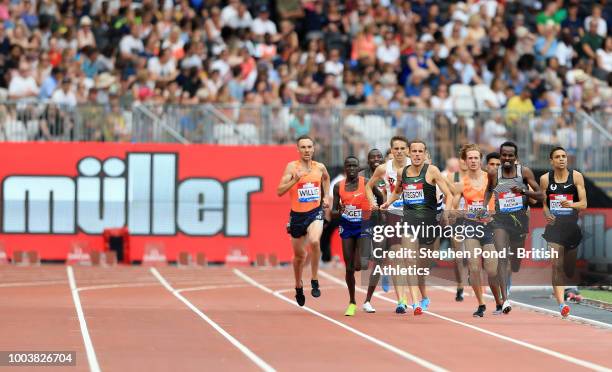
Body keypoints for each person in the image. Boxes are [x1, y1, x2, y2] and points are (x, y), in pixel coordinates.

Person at [381, 140, 454, 314]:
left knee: (423, 265)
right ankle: (416, 303)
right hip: (409, 221)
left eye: (420, 151)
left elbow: (449, 195)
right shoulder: (402, 172)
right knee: (409, 260)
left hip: (429, 224)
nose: (417, 154)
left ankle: (422, 295)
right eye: (414, 151)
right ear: (409, 153)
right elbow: (398, 190)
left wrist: (446, 213)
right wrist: (388, 202)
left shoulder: (432, 171)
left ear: (424, 153)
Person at [486, 141, 545, 314]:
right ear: (500, 154)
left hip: (519, 221)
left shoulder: (524, 172)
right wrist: (484, 206)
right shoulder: (494, 174)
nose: (506, 158)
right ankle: (505, 300)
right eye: (504, 154)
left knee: (515, 263)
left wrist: (524, 192)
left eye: (510, 155)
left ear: (515, 157)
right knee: (502, 258)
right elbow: (489, 190)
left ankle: (514, 268)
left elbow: (541, 195)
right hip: (500, 220)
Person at [277, 135, 330, 306]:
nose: (307, 150)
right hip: (297, 216)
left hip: (315, 212)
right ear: (298, 150)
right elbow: (279, 191)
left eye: (309, 147)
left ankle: (314, 279)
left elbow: (326, 179)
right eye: (303, 147)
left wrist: (326, 197)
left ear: (314, 149)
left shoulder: (319, 167)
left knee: (314, 241)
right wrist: (295, 180)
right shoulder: (292, 167)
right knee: (299, 256)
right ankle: (298, 285)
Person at [366, 136, 413, 313]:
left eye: (403, 148)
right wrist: (372, 202)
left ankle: (416, 294)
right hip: (393, 213)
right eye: (396, 148)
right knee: (397, 256)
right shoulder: (384, 168)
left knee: (410, 259)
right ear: (391, 150)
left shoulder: (416, 165)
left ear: (407, 150)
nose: (399, 151)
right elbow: (368, 186)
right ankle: (401, 300)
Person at [332, 156, 384, 315]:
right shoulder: (338, 186)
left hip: (364, 225)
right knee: (350, 268)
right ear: (345, 168)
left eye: (355, 166)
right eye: (349, 166)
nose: (352, 169)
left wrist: (378, 211)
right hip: (347, 226)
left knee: (361, 265)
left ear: (358, 167)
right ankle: (352, 301)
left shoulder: (366, 181)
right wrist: (339, 211)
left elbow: (380, 196)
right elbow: (334, 210)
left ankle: (361, 255)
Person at [540, 146, 587, 317]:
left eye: (564, 156)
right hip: (554, 229)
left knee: (568, 270)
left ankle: (565, 290)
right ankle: (561, 304)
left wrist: (571, 205)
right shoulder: (545, 179)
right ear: (551, 160)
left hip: (571, 229)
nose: (561, 159)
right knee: (556, 266)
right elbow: (544, 203)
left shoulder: (576, 176)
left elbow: (584, 203)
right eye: (558, 157)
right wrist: (547, 213)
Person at [453, 144, 499, 317]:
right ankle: (481, 304)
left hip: (490, 227)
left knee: (492, 269)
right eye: (469, 158)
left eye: (476, 158)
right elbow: (453, 206)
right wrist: (459, 212)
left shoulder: (492, 178)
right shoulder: (461, 184)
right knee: (473, 267)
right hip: (471, 227)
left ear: (481, 160)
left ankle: (498, 298)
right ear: (465, 161)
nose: (473, 161)